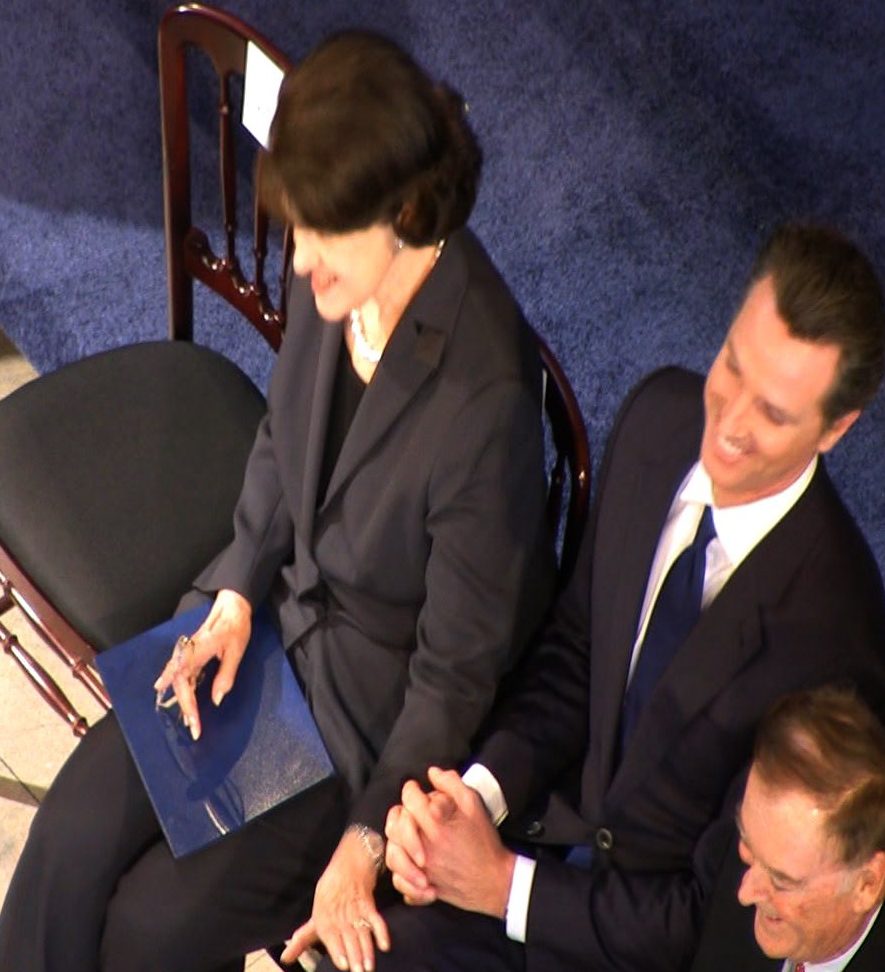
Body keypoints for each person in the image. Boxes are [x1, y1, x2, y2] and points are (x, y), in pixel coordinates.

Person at [0, 29, 555, 972]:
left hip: (356, 728)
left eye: (323, 235)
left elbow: (455, 675)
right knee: (70, 839)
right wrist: (233, 596)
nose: (300, 263)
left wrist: (365, 842)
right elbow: (279, 449)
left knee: (145, 931)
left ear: (406, 210)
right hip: (260, 627)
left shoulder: (488, 403)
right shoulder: (340, 275)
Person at [374, 223, 885, 972]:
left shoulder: (837, 649)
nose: (729, 424)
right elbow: (576, 652)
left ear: (837, 428)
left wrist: (501, 886)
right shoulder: (659, 416)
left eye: (774, 413)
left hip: (632, 945)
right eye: (732, 366)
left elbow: (721, 918)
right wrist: (478, 799)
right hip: (536, 839)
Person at [690, 686, 885, 972]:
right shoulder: (766, 832)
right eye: (748, 848)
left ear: (866, 884)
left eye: (782, 881)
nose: (745, 893)